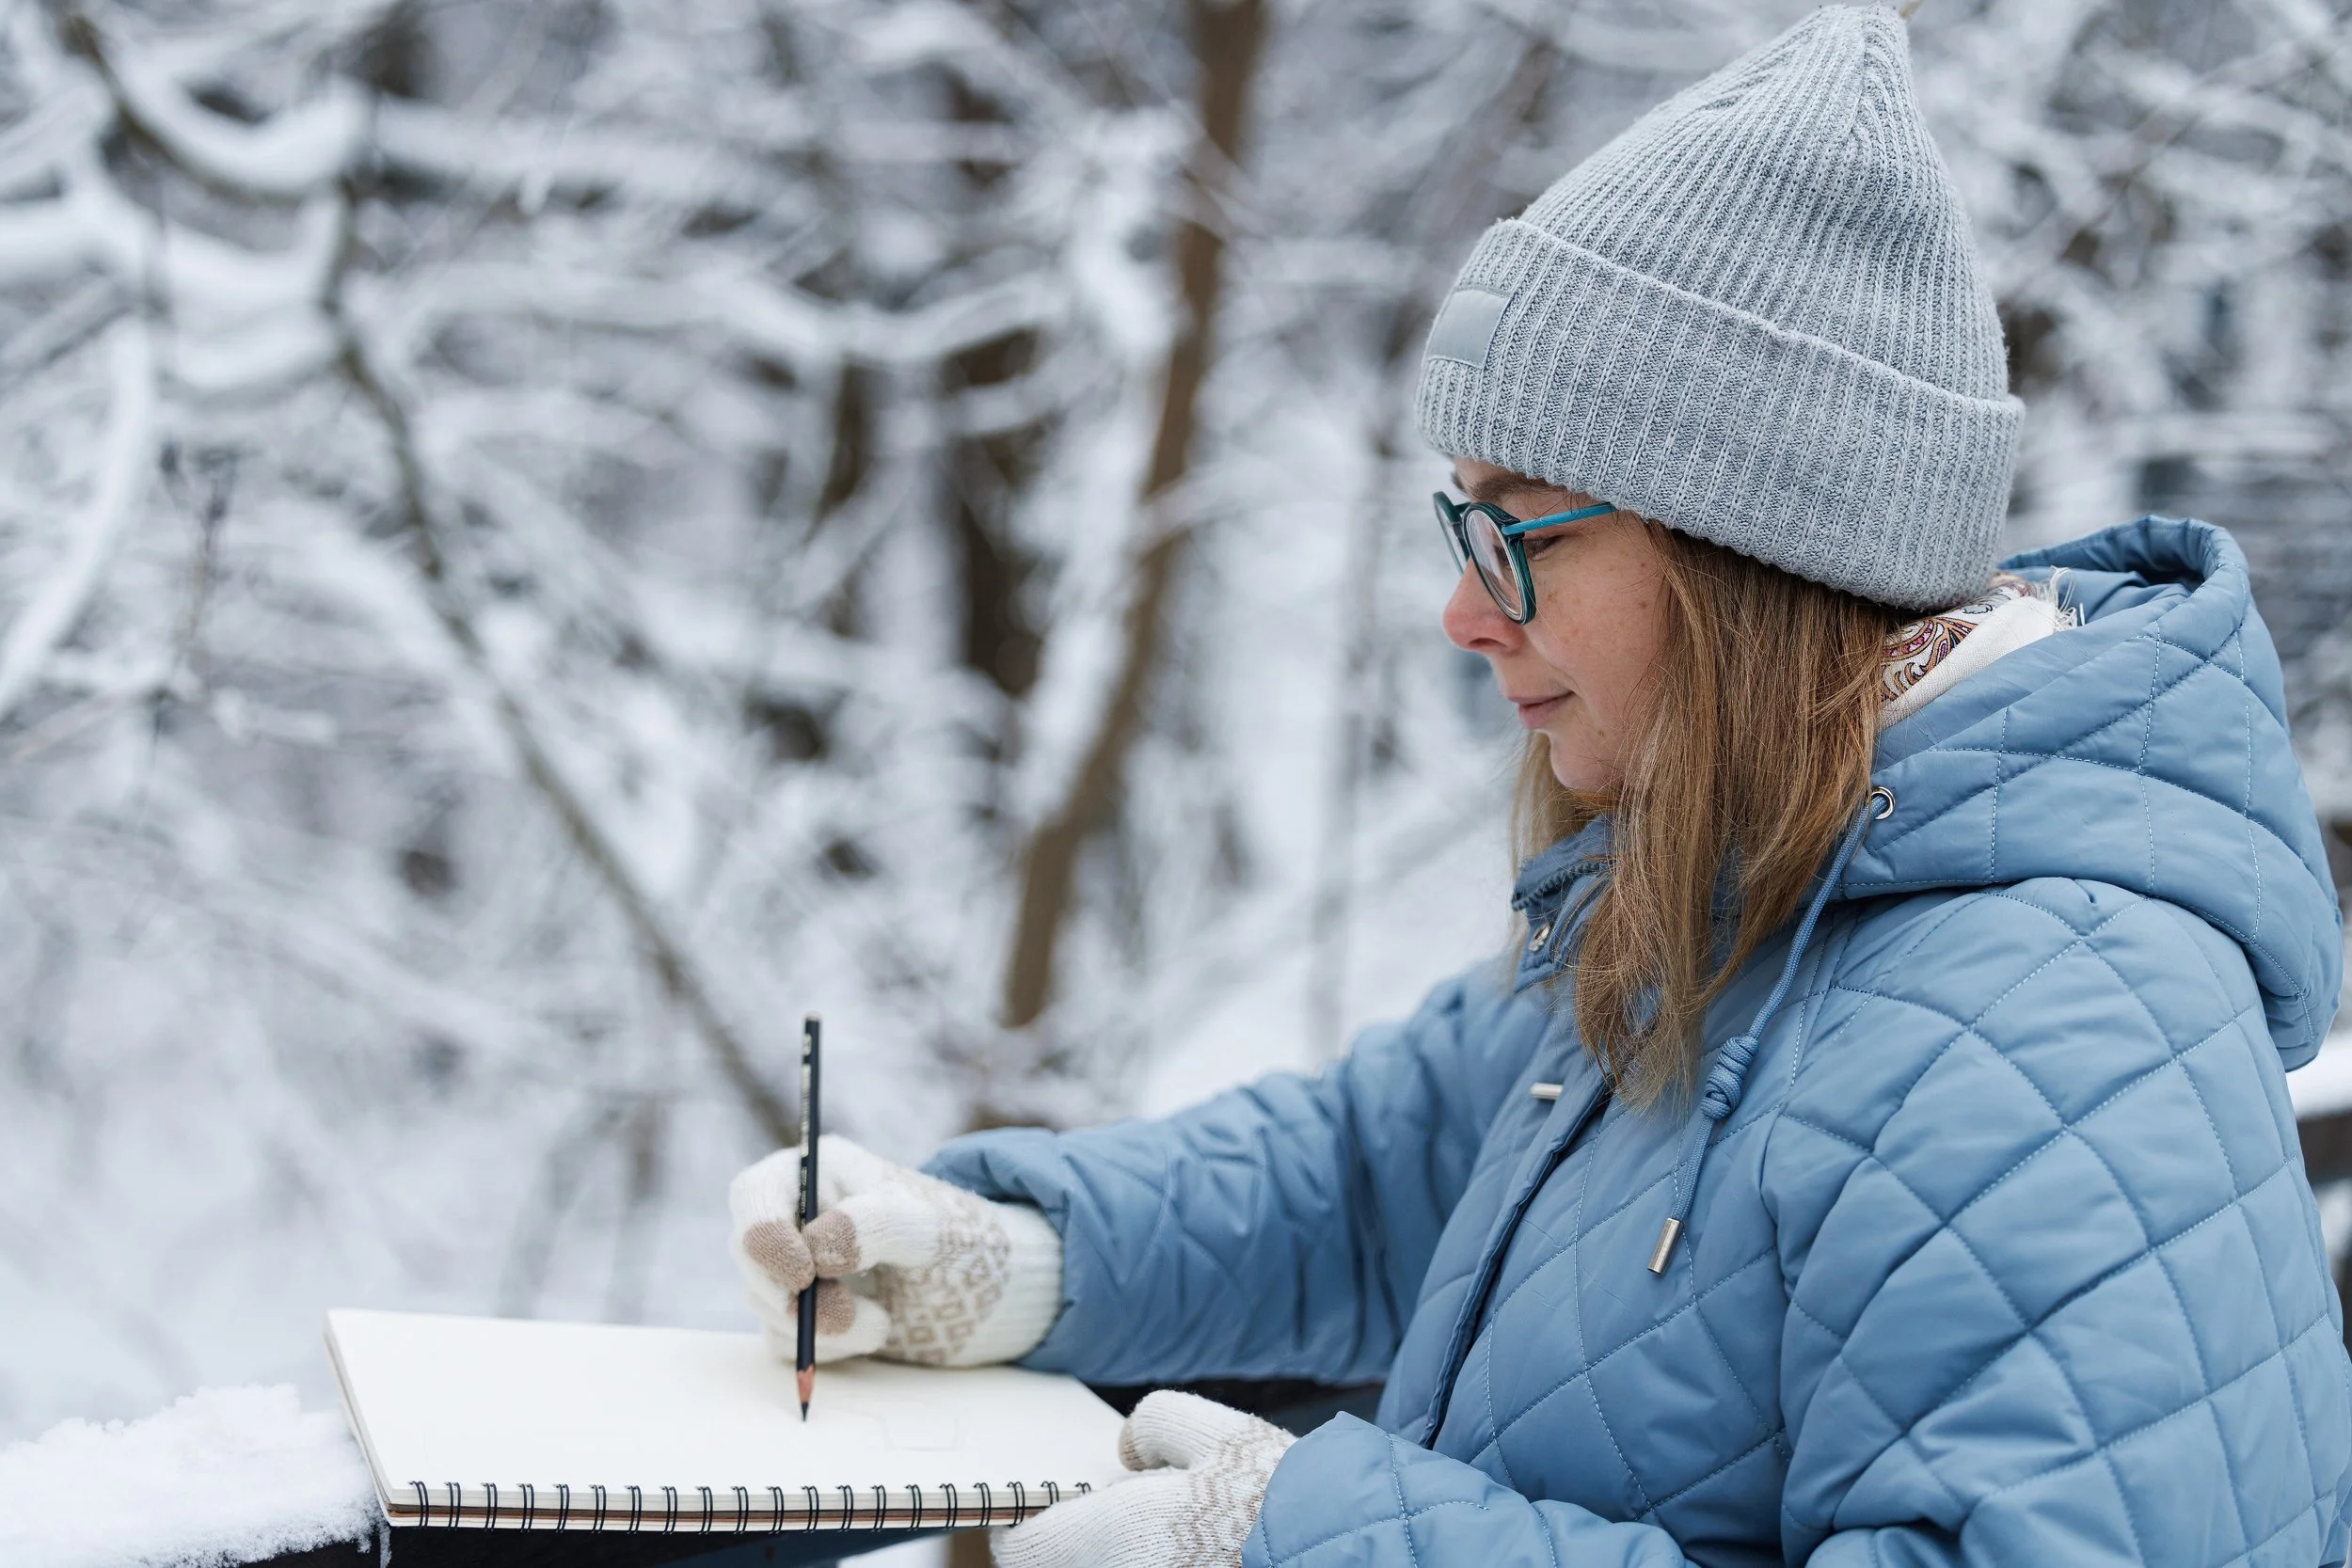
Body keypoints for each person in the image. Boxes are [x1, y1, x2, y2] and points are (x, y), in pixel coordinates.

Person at [726, 8, 2352, 1565]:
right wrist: (1019, 1253)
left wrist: (1299, 1546)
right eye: (1461, 526)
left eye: (1517, 530)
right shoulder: (1731, 887)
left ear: (1743, 543)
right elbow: (1377, 1172)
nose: (1462, 610)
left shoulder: (2054, 1031)